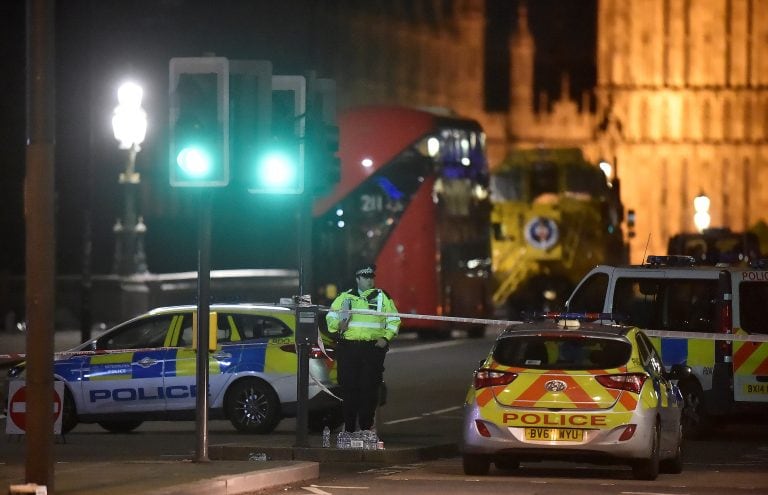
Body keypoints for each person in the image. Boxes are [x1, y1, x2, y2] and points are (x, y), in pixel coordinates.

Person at [326, 263, 400, 433]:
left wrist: (385, 338)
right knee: (349, 389)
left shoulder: (382, 297)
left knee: (369, 389)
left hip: (371, 349)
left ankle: (366, 428)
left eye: (371, 277)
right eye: (365, 277)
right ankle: (350, 428)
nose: (369, 280)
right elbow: (330, 318)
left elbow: (394, 320)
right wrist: (339, 324)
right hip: (348, 348)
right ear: (357, 279)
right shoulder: (345, 297)